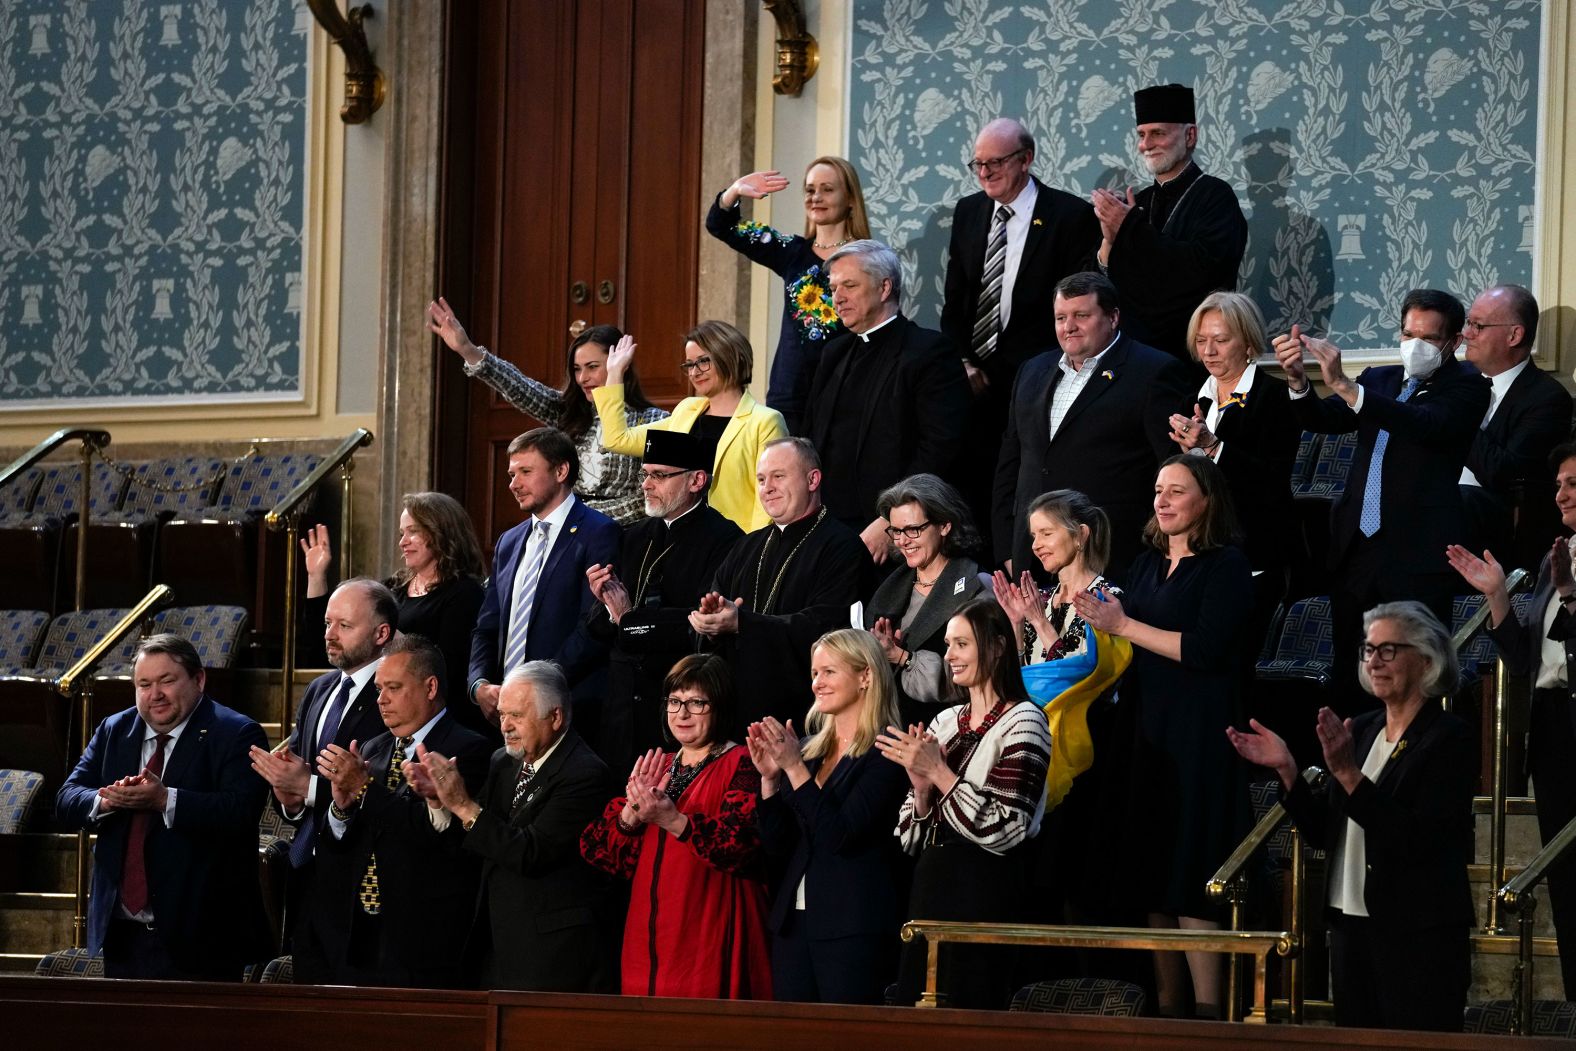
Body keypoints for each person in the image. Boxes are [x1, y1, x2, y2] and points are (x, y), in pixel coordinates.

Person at [1227, 602, 1475, 1032]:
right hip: (1350, 929)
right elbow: (1326, 833)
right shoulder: (1361, 730)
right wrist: (1287, 767)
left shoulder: (1449, 738)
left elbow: (1416, 839)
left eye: (1389, 650)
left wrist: (1345, 772)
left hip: (1416, 936)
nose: (1373, 661)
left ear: (1428, 658)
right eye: (1368, 650)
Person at [1072, 455, 1254, 1020]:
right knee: (1151, 869)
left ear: (1208, 500)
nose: (1162, 500)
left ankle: (1207, 1013)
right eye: (1157, 490)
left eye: (1178, 490)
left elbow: (1203, 650)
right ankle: (1168, 1006)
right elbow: (1122, 646)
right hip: (1145, 729)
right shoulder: (1147, 565)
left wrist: (1123, 625)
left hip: (1198, 730)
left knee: (1191, 869)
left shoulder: (1226, 566)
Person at [1273, 288, 1490, 713]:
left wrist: (1346, 386)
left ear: (1454, 341)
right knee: (1350, 672)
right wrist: (1299, 381)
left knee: (1413, 675)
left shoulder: (1468, 388)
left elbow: (1424, 424)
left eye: (1428, 338)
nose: (1415, 346)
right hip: (1356, 550)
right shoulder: (1379, 379)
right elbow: (1324, 419)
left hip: (1417, 556)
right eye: (1408, 334)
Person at [56, 634, 269, 980]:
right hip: (123, 937)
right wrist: (105, 800)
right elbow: (66, 798)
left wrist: (165, 799)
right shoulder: (114, 729)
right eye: (144, 684)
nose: (155, 694)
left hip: (203, 939)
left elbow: (240, 811)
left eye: (166, 681)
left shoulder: (236, 732)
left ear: (198, 679)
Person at [877, 599, 1052, 1010]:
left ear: (996, 647)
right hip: (931, 887)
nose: (949, 656)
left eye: (961, 644)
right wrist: (921, 789)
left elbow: (1007, 829)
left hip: (986, 892)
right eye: (948, 645)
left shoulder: (1026, 721)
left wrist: (938, 773)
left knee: (968, 1009)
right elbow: (908, 838)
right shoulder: (944, 721)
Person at [1449, 442, 1576, 999]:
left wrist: (1571, 599)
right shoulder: (1557, 557)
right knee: (1565, 879)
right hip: (1552, 730)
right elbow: (1523, 659)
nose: (1561, 494)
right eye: (1558, 484)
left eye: (1573, 482)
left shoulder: (1562, 570)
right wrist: (1499, 594)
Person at [405, 661, 619, 992]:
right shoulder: (503, 762)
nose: (505, 726)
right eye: (502, 715)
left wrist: (462, 803)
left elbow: (529, 851)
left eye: (517, 715)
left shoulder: (585, 774)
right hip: (496, 948)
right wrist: (440, 801)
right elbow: (477, 840)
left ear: (555, 717)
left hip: (553, 959)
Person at [940, 118, 1099, 548]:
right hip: (973, 384)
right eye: (977, 164)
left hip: (1035, 380)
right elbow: (955, 303)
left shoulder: (1070, 216)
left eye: (996, 163)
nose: (985, 172)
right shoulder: (969, 212)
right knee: (971, 488)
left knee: (1022, 491)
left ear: (1026, 159)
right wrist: (963, 361)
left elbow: (1074, 311)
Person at [994, 491, 1133, 980]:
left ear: (1081, 534)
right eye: (1032, 536)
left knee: (1074, 878)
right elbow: (1018, 669)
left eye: (1046, 533)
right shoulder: (1044, 598)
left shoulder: (1107, 597)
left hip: (1085, 748)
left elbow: (1077, 673)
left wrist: (1034, 620)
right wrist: (1016, 623)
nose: (1036, 545)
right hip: (1032, 742)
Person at [580, 654, 772, 999]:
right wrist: (631, 817)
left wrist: (674, 821)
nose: (682, 713)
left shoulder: (743, 762)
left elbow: (743, 849)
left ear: (720, 706)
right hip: (647, 934)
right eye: (674, 701)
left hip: (709, 929)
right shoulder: (658, 765)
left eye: (696, 702)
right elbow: (600, 856)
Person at [308, 634, 492, 987]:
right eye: (378, 689)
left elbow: (435, 837)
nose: (381, 700)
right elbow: (343, 851)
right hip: (357, 936)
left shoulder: (468, 751)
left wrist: (364, 789)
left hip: (423, 942)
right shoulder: (371, 749)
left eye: (393, 687)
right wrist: (341, 811)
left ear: (430, 687)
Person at [993, 271, 1193, 581]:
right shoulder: (1031, 371)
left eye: (1081, 315)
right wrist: (1007, 547)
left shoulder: (1154, 372)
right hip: (1032, 556)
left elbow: (1171, 466)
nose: (1068, 326)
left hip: (1109, 555)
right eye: (1061, 317)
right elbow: (1011, 462)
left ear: (1113, 317)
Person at [248, 577, 397, 982]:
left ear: (381, 633)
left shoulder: (394, 695)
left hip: (359, 880)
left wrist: (307, 788)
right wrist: (289, 798)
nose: (330, 635)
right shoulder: (319, 688)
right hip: (307, 873)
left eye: (344, 626)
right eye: (328, 624)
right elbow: (298, 779)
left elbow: (384, 787)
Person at [749, 629, 909, 1004]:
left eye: (828, 672)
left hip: (852, 925)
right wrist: (770, 781)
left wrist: (794, 770)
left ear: (865, 675)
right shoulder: (807, 752)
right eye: (814, 674)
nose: (817, 683)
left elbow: (839, 836)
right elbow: (777, 846)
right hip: (793, 923)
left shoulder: (888, 752)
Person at [427, 297, 666, 526]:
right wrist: (467, 349)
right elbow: (519, 387)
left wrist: (578, 515)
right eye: (576, 369)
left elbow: (645, 498)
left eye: (592, 367)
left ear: (620, 364)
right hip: (568, 531)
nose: (583, 378)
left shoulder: (654, 420)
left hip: (624, 536)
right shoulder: (570, 413)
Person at [804, 239, 971, 562]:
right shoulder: (832, 353)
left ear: (884, 288)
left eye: (849, 285)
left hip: (893, 531)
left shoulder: (929, 352)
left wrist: (891, 521)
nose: (837, 298)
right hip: (827, 527)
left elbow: (940, 448)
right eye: (834, 287)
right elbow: (812, 436)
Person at [585, 430, 743, 770]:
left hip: (677, 707)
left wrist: (628, 620)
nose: (646, 485)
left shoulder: (725, 539)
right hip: (620, 711)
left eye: (659, 475)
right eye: (645, 475)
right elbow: (597, 623)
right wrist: (607, 606)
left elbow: (698, 623)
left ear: (697, 480)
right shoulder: (635, 535)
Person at [693, 438, 868, 726]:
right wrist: (710, 624)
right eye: (761, 479)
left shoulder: (843, 546)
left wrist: (743, 623)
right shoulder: (746, 546)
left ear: (813, 480)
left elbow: (827, 628)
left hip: (803, 713)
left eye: (779, 476)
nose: (767, 487)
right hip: (736, 708)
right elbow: (713, 606)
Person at [1167, 291, 1299, 651]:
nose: (1209, 351)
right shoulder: (1194, 398)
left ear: (1247, 343)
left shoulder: (1273, 397)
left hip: (1251, 556)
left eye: (1221, 340)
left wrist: (1213, 447)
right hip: (1196, 557)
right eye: (1201, 340)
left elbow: (1272, 482)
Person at [468, 427, 621, 736]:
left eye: (525, 471)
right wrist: (479, 684)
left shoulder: (599, 532)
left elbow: (592, 627)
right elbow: (487, 624)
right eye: (511, 474)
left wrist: (537, 689)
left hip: (566, 710)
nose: (514, 484)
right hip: (504, 715)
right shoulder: (508, 542)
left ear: (561, 470)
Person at [706, 157, 871, 433]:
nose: (816, 197)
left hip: (847, 393)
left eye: (827, 189)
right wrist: (734, 191)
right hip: (790, 395)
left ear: (851, 198)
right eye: (809, 190)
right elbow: (720, 225)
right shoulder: (790, 251)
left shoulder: (869, 258)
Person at [296, 491, 487, 726]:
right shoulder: (392, 588)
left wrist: (387, 639)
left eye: (413, 531)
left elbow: (448, 671)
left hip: (433, 720)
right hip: (376, 712)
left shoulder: (465, 593)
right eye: (401, 533)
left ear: (442, 532)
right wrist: (317, 577)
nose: (402, 541)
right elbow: (327, 646)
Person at [1091, 83, 1248, 363]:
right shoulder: (1137, 202)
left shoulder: (1215, 196)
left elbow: (1201, 272)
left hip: (1193, 358)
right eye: (1141, 135)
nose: (1145, 145)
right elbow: (1105, 290)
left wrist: (1131, 228)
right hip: (1133, 360)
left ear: (1190, 136)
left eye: (1158, 133)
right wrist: (1110, 242)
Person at [592, 320, 787, 531]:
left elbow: (768, 495)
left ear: (730, 358)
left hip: (734, 544)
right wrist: (614, 373)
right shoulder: (686, 411)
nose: (694, 372)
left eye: (703, 361)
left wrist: (750, 551)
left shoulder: (765, 421)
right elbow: (618, 439)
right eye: (689, 365)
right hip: (683, 538)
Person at [1458, 284, 1573, 571]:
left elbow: (1504, 473)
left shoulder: (1546, 398)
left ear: (1514, 335)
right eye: (1468, 323)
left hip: (1493, 520)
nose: (1466, 334)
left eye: (1478, 325)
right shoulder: (1454, 382)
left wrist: (1455, 417)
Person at [863, 474, 987, 720]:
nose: (903, 541)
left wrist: (902, 657)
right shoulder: (889, 588)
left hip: (946, 728)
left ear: (944, 525)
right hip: (885, 724)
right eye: (896, 531)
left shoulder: (976, 587)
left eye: (913, 529)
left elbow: (978, 674)